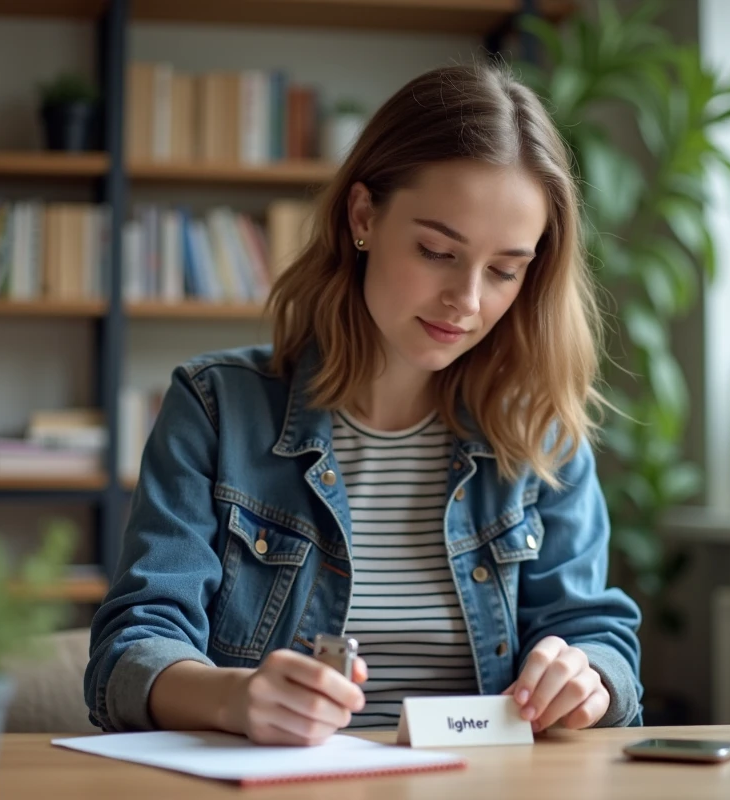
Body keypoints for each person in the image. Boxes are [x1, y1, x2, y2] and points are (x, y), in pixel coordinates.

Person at [84, 59, 643, 745]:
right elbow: (130, 648)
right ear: (363, 217)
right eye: (437, 251)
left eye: (504, 271)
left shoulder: (538, 432)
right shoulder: (216, 408)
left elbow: (596, 635)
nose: (467, 302)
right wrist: (232, 698)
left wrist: (589, 678)